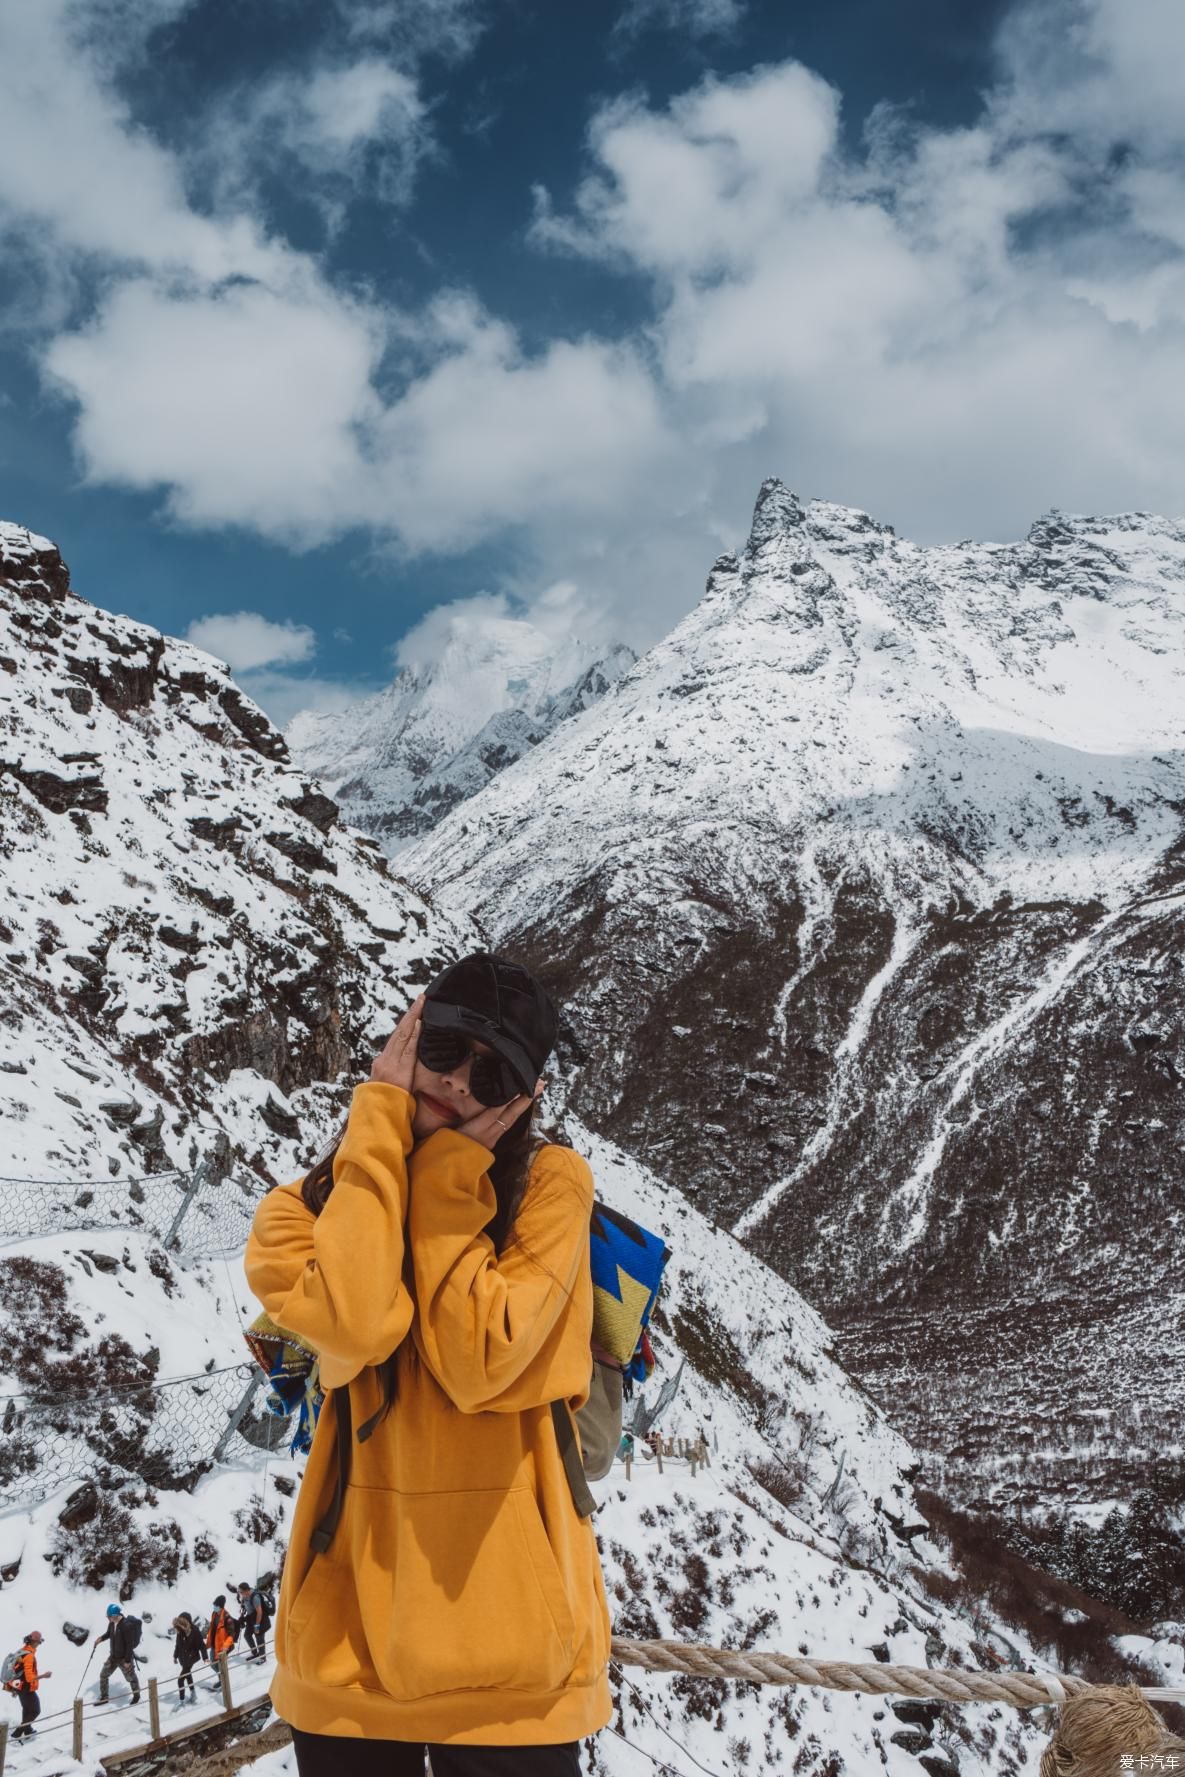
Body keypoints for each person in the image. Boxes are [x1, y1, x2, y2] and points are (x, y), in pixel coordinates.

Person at [246, 951, 611, 1775]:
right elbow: (357, 1322)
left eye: (491, 1075)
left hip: (512, 1666)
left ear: (524, 1099)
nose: (455, 1083)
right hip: (349, 1654)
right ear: (402, 1040)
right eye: (442, 1052)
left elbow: (478, 1358)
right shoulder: (296, 1213)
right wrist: (378, 1128)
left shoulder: (552, 1187)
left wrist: (447, 1177)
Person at [94, 1604, 139, 1706]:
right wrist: (100, 1639)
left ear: (115, 1615)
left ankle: (137, 1696)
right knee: (103, 1675)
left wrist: (127, 1661)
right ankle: (104, 1697)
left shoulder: (127, 1626)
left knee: (131, 1678)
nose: (108, 1618)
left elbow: (129, 1645)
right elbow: (108, 1634)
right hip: (113, 1657)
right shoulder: (112, 1623)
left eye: (109, 1616)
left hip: (124, 1659)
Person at [11, 1632, 49, 1741]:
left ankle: (27, 1731)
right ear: (34, 1642)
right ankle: (16, 1735)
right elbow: (29, 1678)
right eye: (39, 1642)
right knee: (35, 1710)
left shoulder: (22, 1651)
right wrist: (44, 1676)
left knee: (27, 1709)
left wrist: (13, 1688)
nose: (40, 1644)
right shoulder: (29, 1656)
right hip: (26, 1688)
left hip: (18, 1686)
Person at [172, 1614, 207, 1700]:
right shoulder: (180, 1631)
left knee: (180, 1680)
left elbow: (202, 1645)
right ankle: (193, 1694)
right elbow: (178, 1645)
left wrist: (205, 1657)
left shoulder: (194, 1631)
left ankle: (182, 1701)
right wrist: (175, 1656)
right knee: (188, 1675)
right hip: (183, 1659)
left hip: (191, 1658)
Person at [236, 1582, 269, 1660]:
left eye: (241, 1592)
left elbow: (259, 1612)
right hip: (251, 1618)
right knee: (247, 1635)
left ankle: (262, 1658)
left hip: (260, 1620)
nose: (240, 1593)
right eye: (239, 1592)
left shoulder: (255, 1597)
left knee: (259, 1638)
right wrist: (242, 1617)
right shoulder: (244, 1597)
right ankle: (255, 1653)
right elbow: (245, 1607)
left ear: (246, 1590)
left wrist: (257, 1626)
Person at [207, 1595, 238, 1661]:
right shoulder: (214, 1614)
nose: (214, 1607)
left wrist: (225, 1646)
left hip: (222, 1646)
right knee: (214, 1665)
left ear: (221, 1607)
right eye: (214, 1605)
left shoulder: (227, 1617)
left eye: (216, 1605)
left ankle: (223, 1671)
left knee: (220, 1665)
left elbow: (231, 1635)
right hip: (214, 1643)